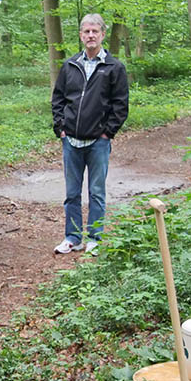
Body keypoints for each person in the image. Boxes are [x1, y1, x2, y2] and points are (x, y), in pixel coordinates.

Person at [50, 14, 129, 255]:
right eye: (86, 32)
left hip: (98, 142)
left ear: (103, 34)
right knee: (72, 193)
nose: (91, 36)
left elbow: (121, 105)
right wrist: (60, 128)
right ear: (81, 35)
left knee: (96, 192)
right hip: (71, 140)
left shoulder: (114, 68)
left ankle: (95, 238)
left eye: (95, 31)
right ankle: (72, 238)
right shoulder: (70, 65)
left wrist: (107, 133)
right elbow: (58, 99)